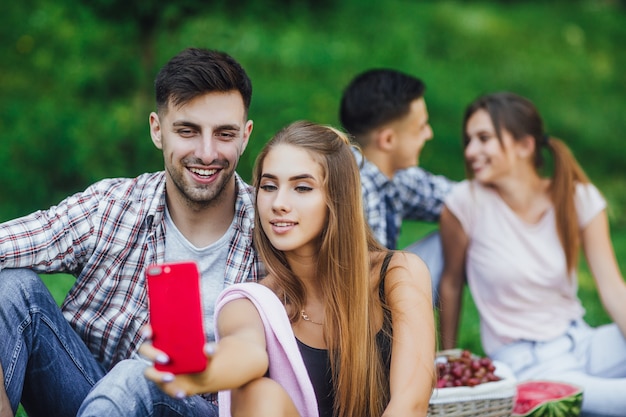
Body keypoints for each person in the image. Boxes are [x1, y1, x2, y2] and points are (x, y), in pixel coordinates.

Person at [0, 47, 262, 417]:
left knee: (140, 375)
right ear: (157, 130)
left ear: (245, 135)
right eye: (187, 131)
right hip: (92, 399)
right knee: (9, 288)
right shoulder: (114, 205)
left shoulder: (272, 226)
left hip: (198, 408)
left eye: (224, 134)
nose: (207, 153)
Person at [140, 121, 436, 417]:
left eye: (302, 188)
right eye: (269, 187)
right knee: (259, 395)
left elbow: (410, 404)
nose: (279, 203)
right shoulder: (254, 302)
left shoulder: (397, 274)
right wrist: (203, 373)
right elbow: (246, 351)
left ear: (337, 199)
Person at [438, 92, 626, 416]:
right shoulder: (465, 203)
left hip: (582, 342)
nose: (470, 152)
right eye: (468, 140)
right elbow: (451, 284)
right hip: (527, 365)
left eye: (483, 138)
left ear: (525, 146)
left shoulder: (578, 198)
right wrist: (448, 361)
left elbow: (613, 289)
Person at [339, 69, 455, 304]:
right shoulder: (350, 186)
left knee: (456, 230)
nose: (429, 134)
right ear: (388, 140)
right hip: (351, 310)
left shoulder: (394, 174)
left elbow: (458, 198)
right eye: (421, 127)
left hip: (381, 290)